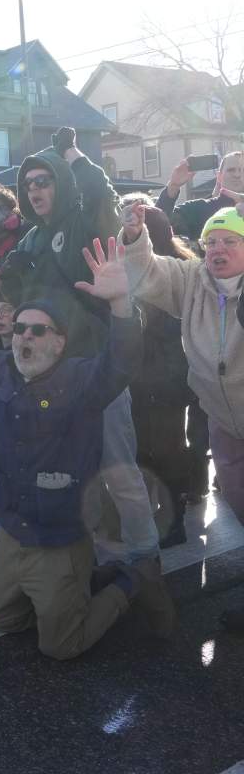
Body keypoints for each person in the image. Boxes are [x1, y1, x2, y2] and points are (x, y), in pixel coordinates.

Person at [0, 236, 175, 658]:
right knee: (5, 620)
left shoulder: (83, 381)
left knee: (61, 647)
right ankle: (81, 587)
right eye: (19, 329)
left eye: (39, 330)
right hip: (13, 533)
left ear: (60, 342)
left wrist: (121, 305)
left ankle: (129, 582)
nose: (25, 338)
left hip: (60, 538)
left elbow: (122, 362)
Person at [1, 127, 161, 569]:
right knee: (71, 474)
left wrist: (71, 152)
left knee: (119, 469)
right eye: (29, 183)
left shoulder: (86, 221)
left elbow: (99, 192)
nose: (35, 190)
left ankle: (147, 563)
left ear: (61, 183)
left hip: (98, 367)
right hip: (54, 376)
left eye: (44, 180)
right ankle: (92, 562)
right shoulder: (29, 241)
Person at [121, 201, 244, 631]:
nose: (217, 249)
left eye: (230, 241)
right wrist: (136, 238)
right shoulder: (193, 280)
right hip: (225, 425)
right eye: (211, 241)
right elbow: (148, 273)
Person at [119, 195, 196, 549]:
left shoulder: (180, 270)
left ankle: (175, 517)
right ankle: (158, 511)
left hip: (166, 379)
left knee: (167, 449)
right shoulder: (120, 266)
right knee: (141, 451)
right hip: (134, 377)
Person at [157, 151, 243, 241]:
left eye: (242, 170)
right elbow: (157, 226)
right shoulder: (198, 209)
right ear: (219, 176)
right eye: (231, 170)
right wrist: (173, 186)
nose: (237, 175)